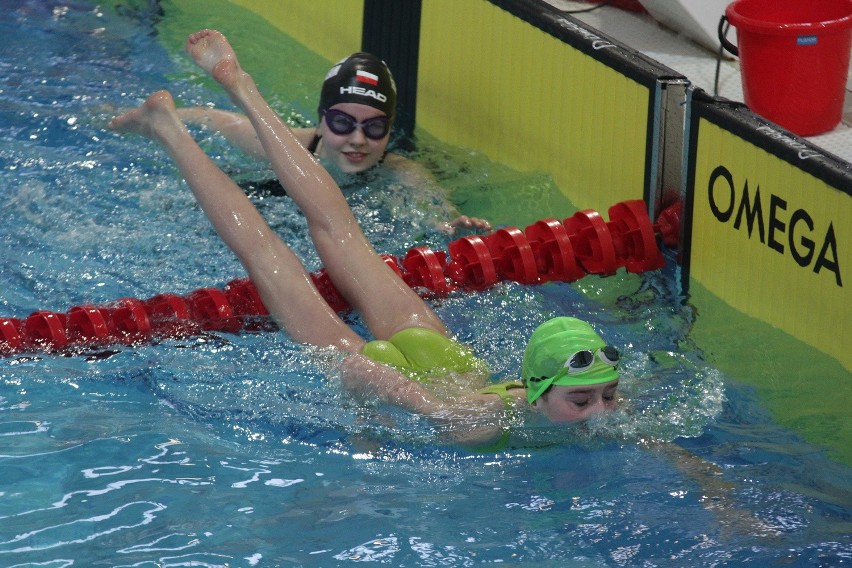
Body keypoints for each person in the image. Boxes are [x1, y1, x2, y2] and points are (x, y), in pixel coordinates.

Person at [109, 29, 620, 448]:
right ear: (536, 392)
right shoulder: (482, 421)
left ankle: (229, 92)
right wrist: (365, 433)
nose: (600, 412)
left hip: (451, 362)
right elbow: (371, 381)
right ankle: (173, 130)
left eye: (605, 397)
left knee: (343, 235)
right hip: (419, 379)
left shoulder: (539, 399)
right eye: (582, 402)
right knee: (266, 253)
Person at [176, 46, 491, 234]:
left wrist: (452, 227)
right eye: (342, 123)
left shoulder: (402, 173)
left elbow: (438, 212)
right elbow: (212, 119)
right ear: (322, 119)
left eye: (375, 127)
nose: (358, 139)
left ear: (391, 129)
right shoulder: (288, 143)